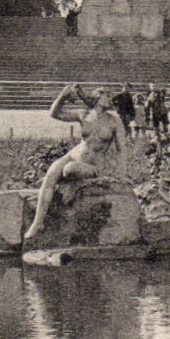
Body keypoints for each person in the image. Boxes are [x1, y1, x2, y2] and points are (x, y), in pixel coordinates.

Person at [26, 83, 127, 240]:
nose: (111, 99)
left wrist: (122, 175)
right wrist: (63, 95)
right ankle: (38, 222)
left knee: (69, 169)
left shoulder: (114, 121)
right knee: (51, 174)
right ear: (98, 98)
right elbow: (54, 113)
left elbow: (122, 150)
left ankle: (69, 192)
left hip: (92, 165)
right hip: (73, 154)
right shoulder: (84, 114)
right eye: (107, 95)